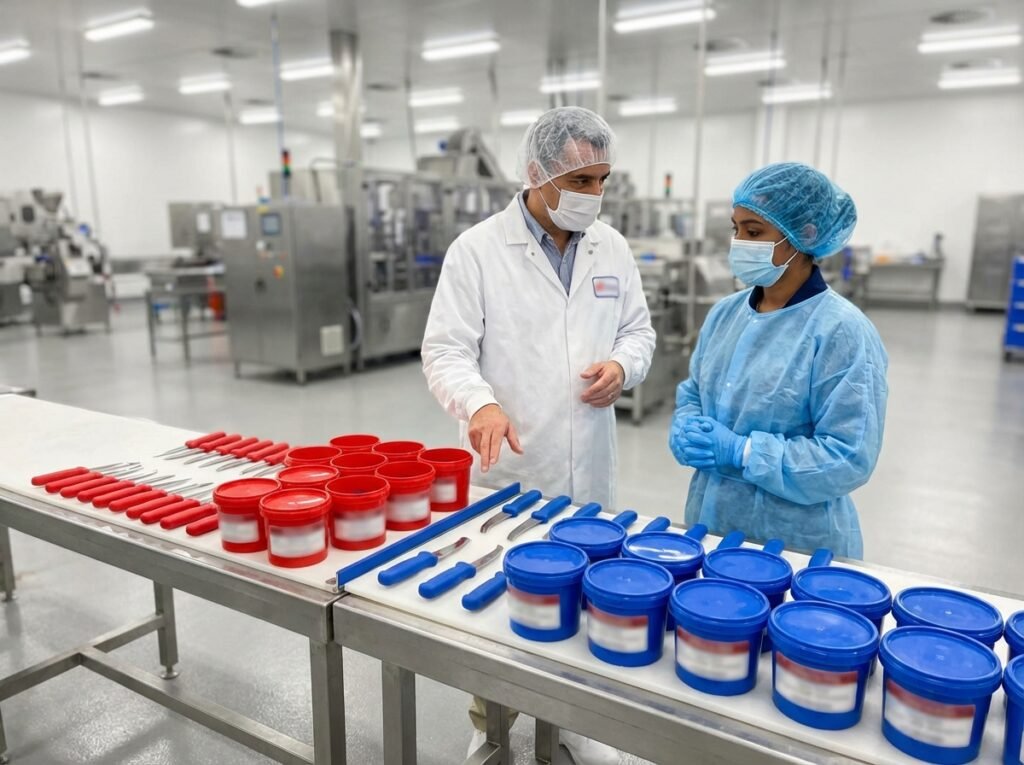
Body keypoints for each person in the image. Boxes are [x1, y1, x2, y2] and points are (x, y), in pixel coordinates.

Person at [422, 106, 655, 765]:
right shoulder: (477, 251)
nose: (594, 195)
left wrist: (622, 366)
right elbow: (444, 350)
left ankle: (577, 721)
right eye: (580, 180)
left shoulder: (612, 247)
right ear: (536, 173)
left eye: (602, 180)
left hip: (591, 464)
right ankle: (489, 718)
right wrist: (479, 404)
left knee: (586, 594)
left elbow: (638, 330)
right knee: (502, 599)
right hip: (515, 464)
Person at [669, 162, 888, 559]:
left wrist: (744, 452)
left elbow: (847, 457)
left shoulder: (842, 331)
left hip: (797, 546)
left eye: (754, 232)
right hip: (712, 526)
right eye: (736, 230)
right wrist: (686, 424)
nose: (739, 243)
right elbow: (695, 392)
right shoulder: (725, 314)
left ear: (804, 235)